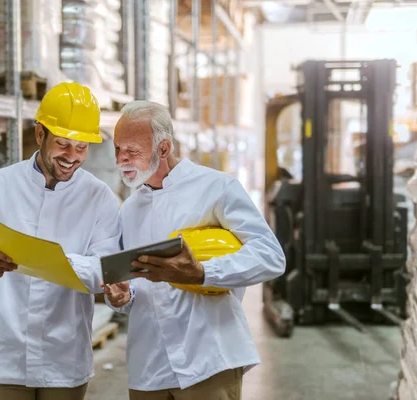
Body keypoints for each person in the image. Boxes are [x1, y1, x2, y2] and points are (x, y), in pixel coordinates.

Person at [0, 82, 121, 400]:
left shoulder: (100, 198)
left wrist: (58, 263)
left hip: (63, 356)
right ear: (39, 134)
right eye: (63, 144)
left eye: (81, 147)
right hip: (4, 353)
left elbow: (106, 266)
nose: (72, 157)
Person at [103, 100, 286, 400]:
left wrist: (203, 273)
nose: (121, 159)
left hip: (208, 361)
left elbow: (271, 256)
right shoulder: (130, 210)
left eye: (132, 151)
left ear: (163, 149)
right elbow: (136, 284)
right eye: (118, 149)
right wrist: (123, 296)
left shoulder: (216, 188)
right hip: (149, 367)